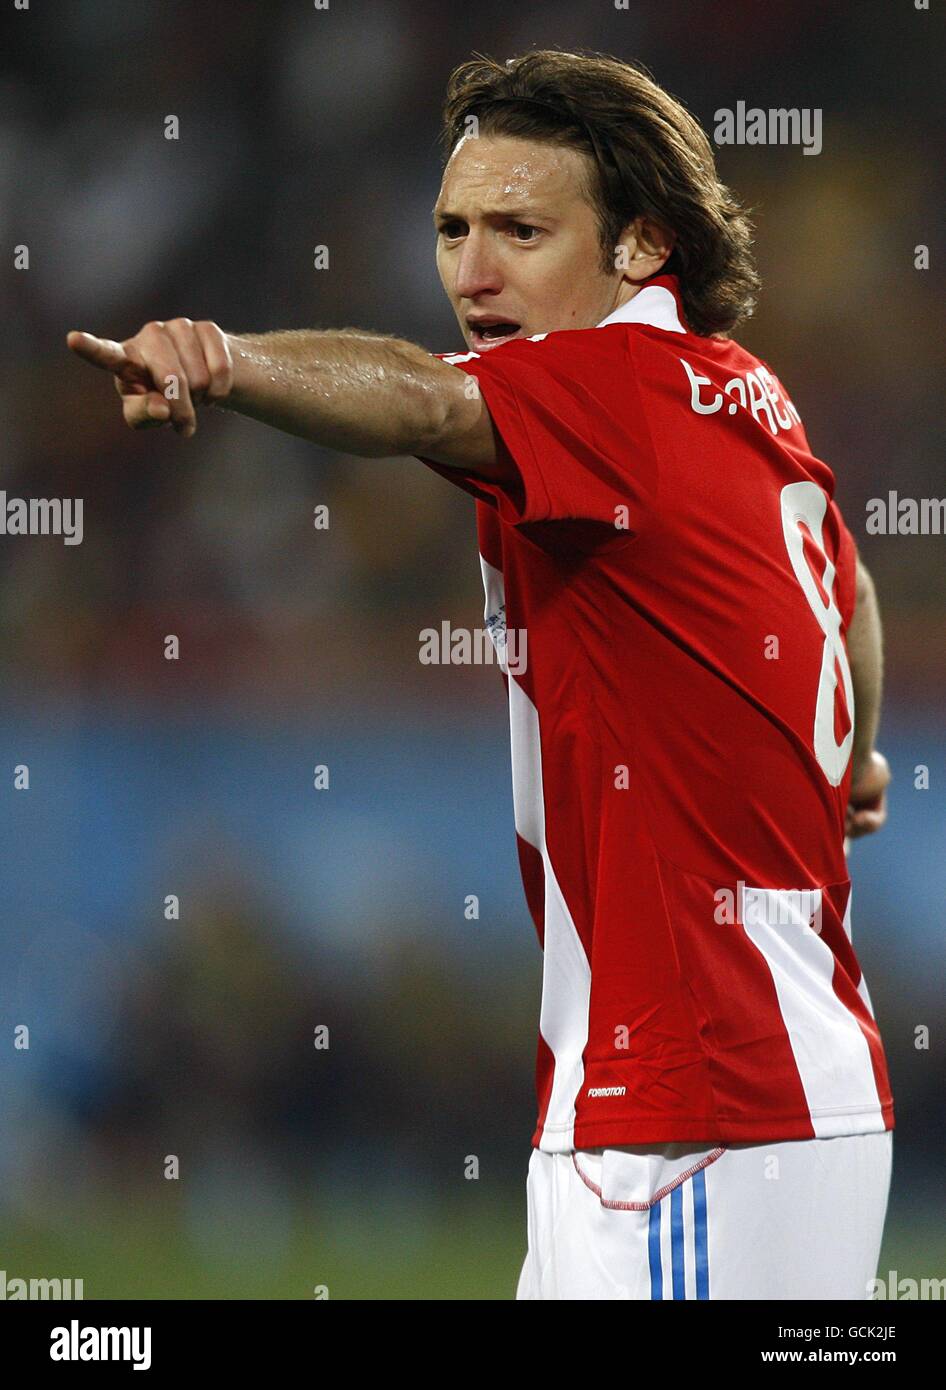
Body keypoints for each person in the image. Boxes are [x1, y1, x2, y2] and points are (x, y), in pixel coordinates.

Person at [67, 49, 894, 1300]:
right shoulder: (741, 396)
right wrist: (856, 755)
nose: (471, 270)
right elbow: (854, 590)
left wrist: (221, 360)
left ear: (638, 248)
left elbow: (419, 403)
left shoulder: (608, 385)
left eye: (521, 229)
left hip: (694, 1107)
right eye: (452, 228)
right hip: (723, 1094)